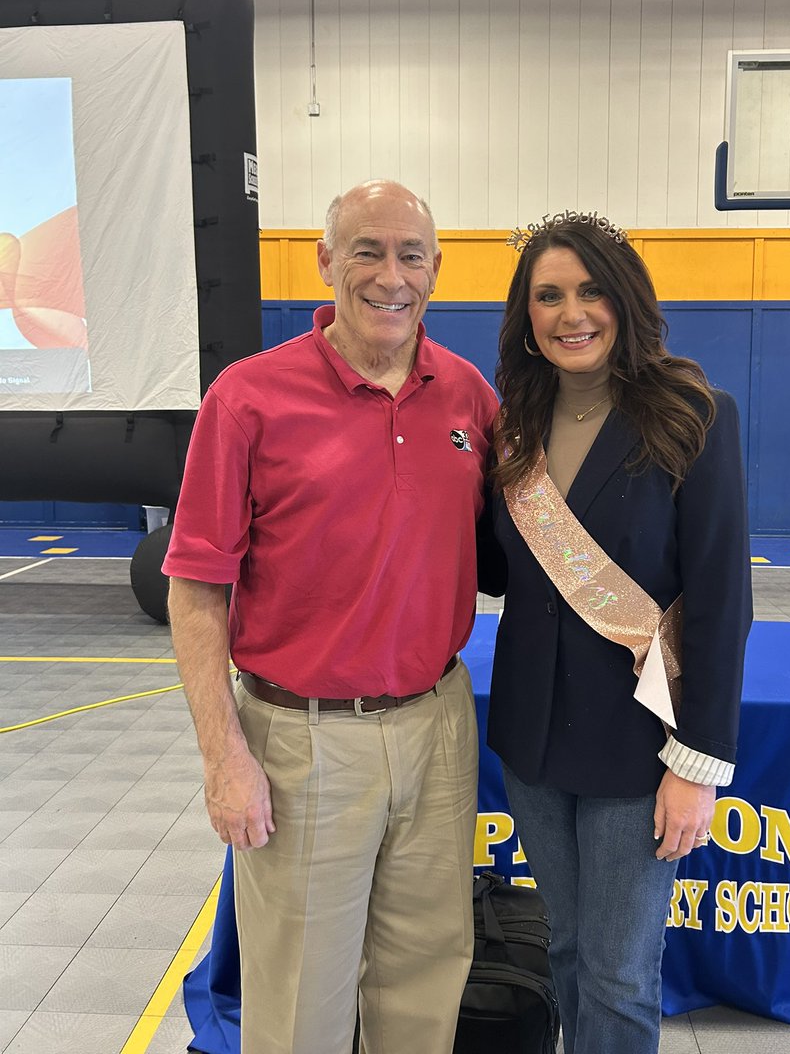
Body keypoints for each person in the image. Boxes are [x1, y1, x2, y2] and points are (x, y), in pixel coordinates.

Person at [163, 180, 499, 1054]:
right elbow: (197, 590)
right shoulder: (247, 400)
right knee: (300, 1001)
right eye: (367, 251)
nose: (392, 276)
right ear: (325, 261)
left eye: (411, 255)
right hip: (302, 740)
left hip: (438, 726)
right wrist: (222, 755)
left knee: (427, 980)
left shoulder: (467, 397)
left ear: (436, 270)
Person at [487, 211, 752, 1054]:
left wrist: (697, 765)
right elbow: (501, 572)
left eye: (592, 290)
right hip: (531, 743)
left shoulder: (695, 415)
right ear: (526, 317)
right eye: (550, 295)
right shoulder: (512, 431)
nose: (573, 313)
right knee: (563, 949)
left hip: (642, 750)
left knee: (620, 975)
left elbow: (720, 602)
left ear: (625, 299)